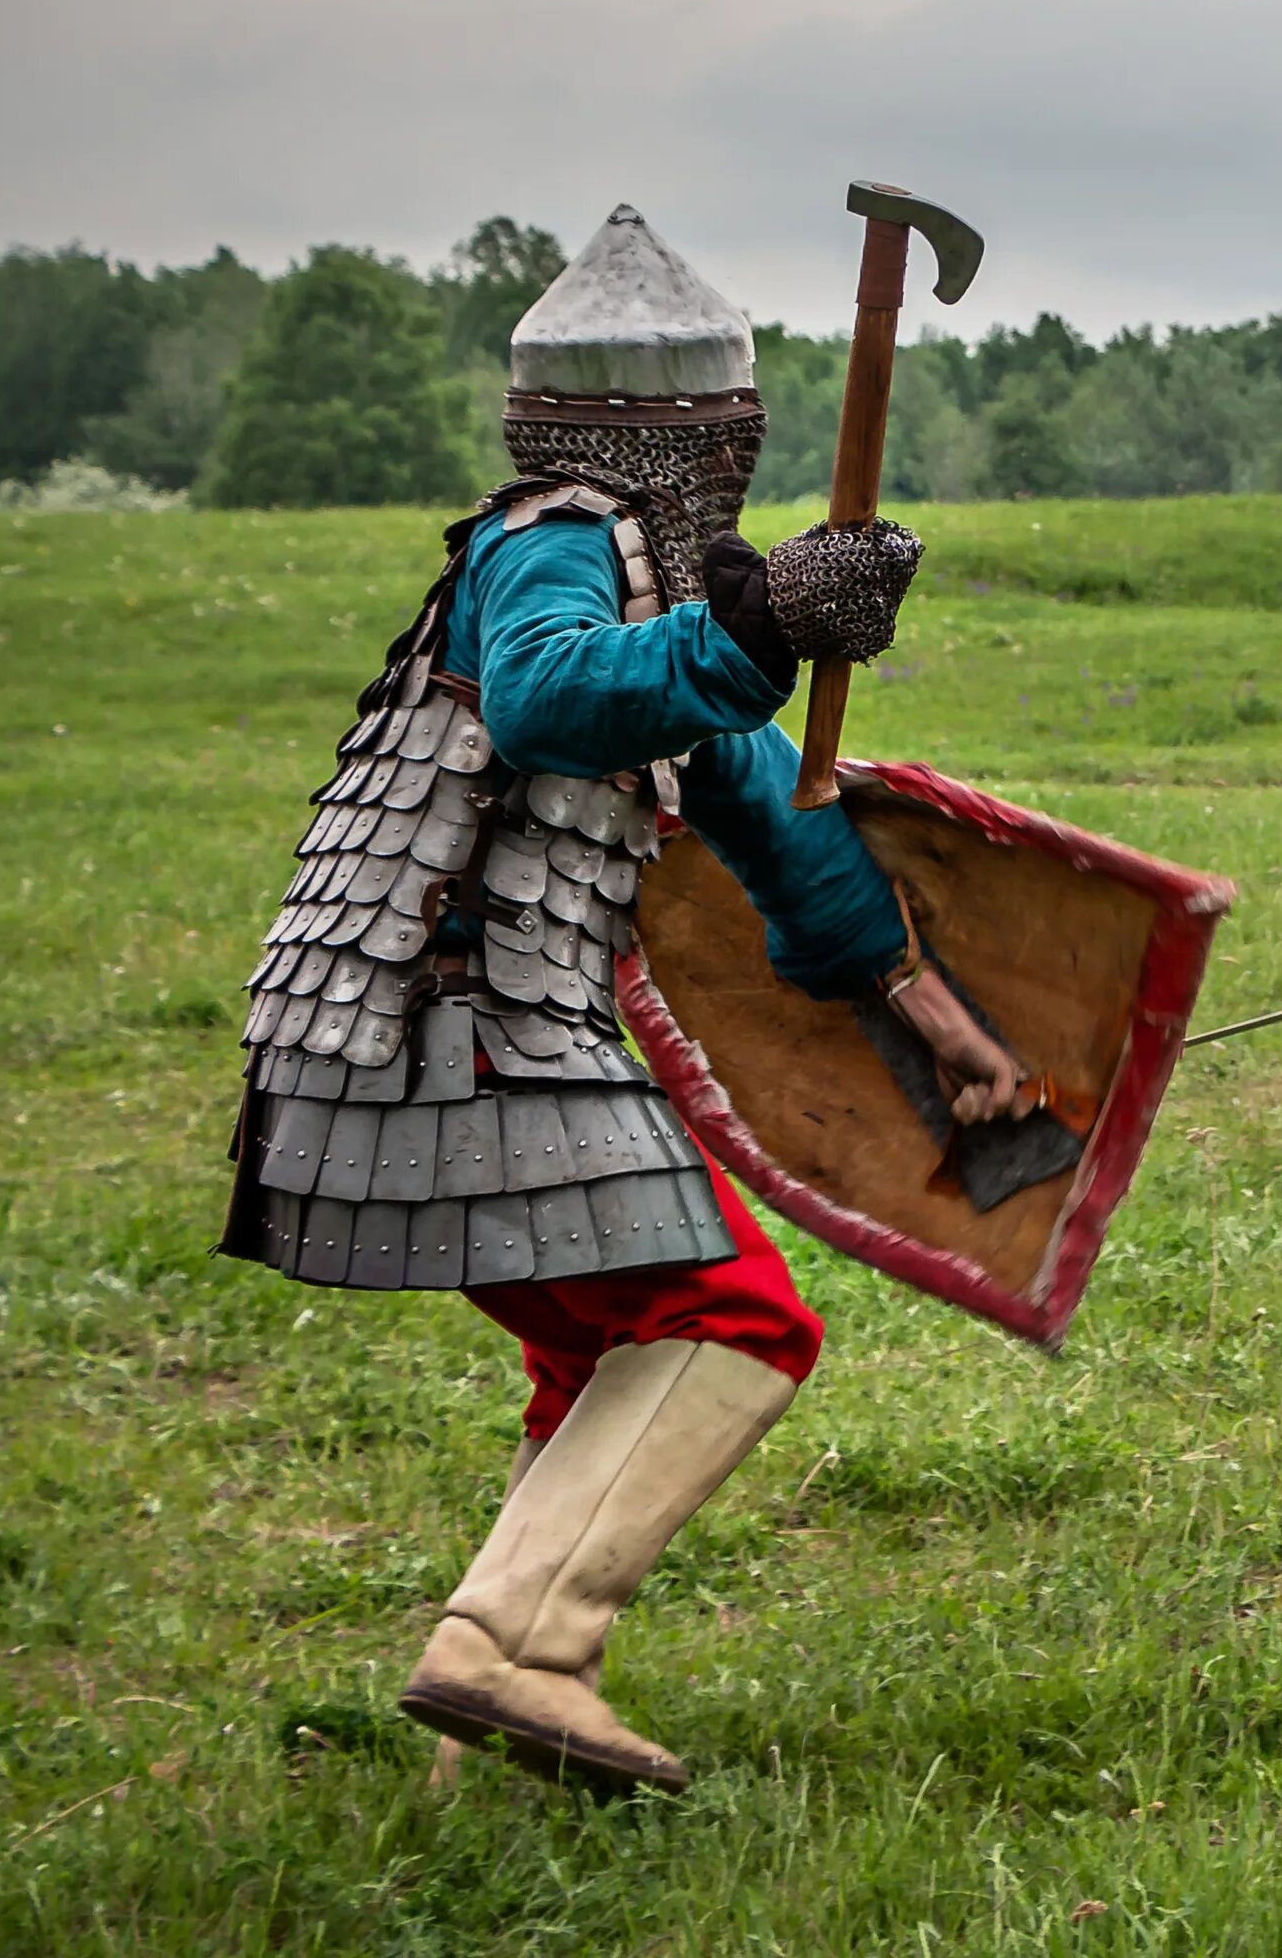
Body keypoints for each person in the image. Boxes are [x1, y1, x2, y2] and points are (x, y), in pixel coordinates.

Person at [219, 206, 1030, 1790]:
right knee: (734, 1316)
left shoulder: (650, 584)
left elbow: (775, 825)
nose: (731, 462)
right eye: (720, 435)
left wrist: (953, 1043)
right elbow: (544, 697)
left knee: (596, 1348)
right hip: (443, 1020)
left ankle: (498, 1714)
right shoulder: (551, 544)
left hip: (423, 1028)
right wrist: (760, 624)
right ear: (671, 433)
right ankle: (516, 1649)